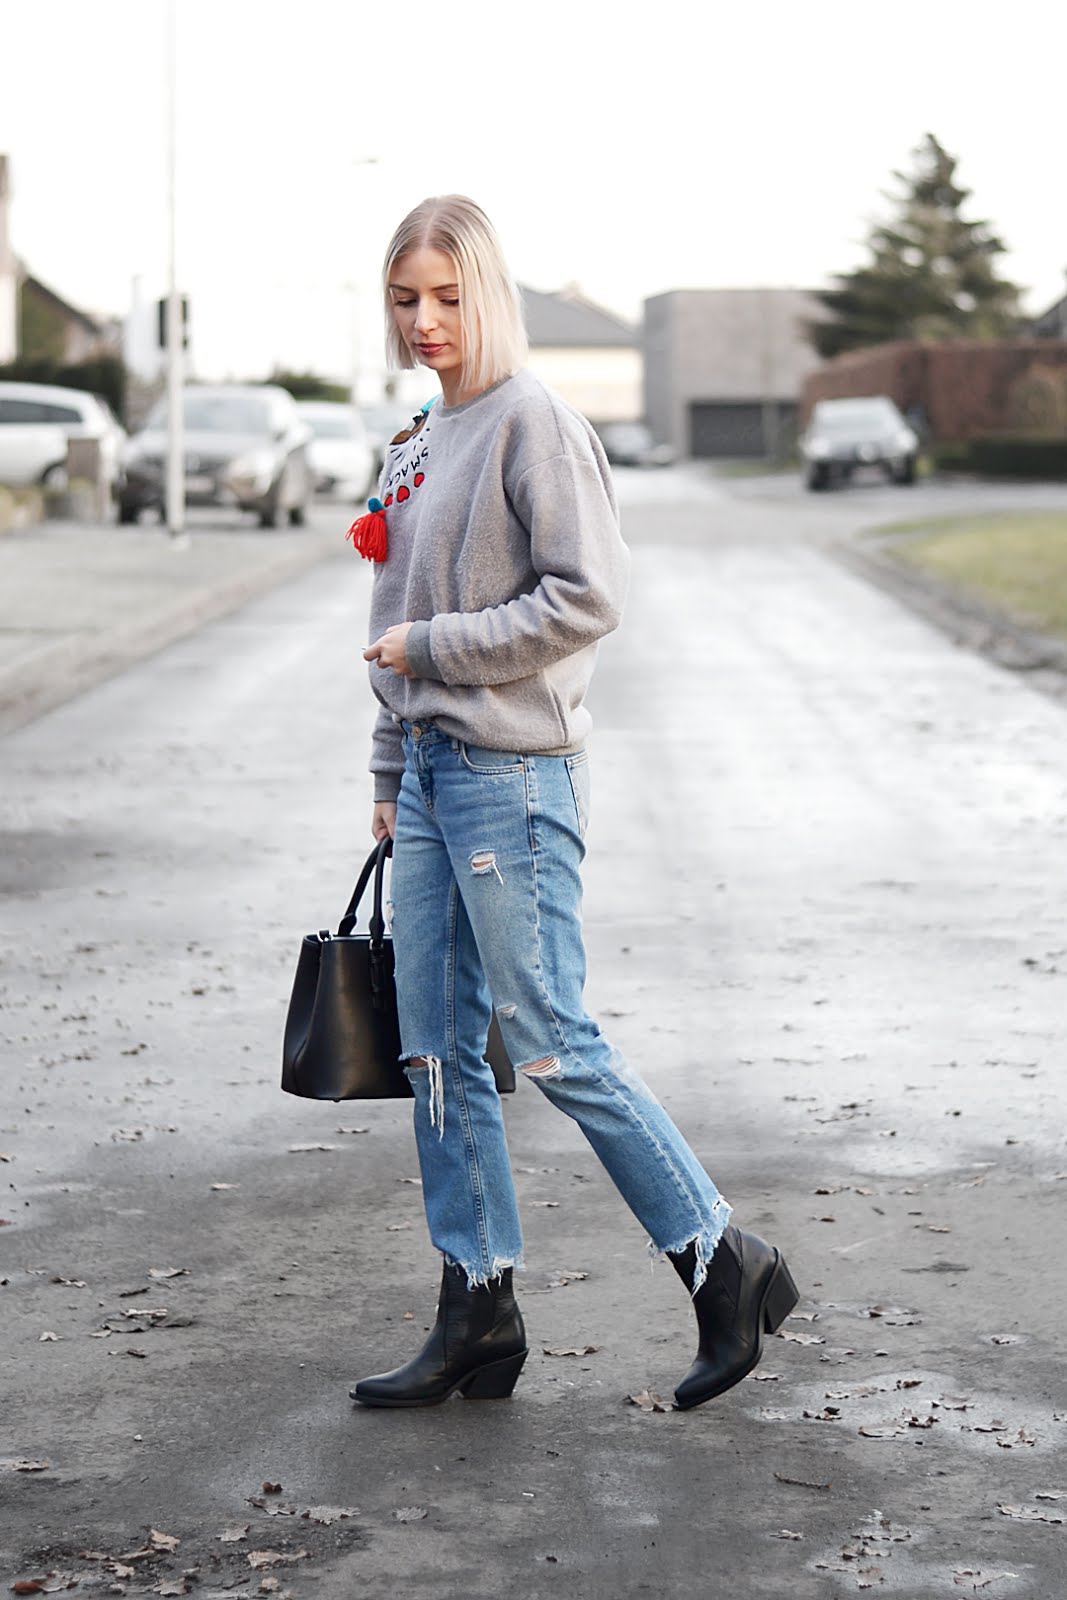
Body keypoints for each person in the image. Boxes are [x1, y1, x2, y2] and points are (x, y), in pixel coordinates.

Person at [349, 195, 797, 1410]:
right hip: (437, 785)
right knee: (435, 1050)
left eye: (445, 296)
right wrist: (392, 779)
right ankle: (477, 1306)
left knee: (546, 1034)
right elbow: (384, 628)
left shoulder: (533, 425)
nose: (424, 321)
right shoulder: (417, 441)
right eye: (404, 299)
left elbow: (584, 597)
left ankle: (722, 1257)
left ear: (487, 293)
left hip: (514, 778)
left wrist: (432, 646)